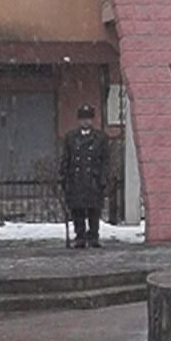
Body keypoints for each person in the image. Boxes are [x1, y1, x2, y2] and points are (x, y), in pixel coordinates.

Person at [59, 105, 108, 249]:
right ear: (79, 120)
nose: (86, 121)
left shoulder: (100, 138)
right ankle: (80, 236)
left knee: (94, 210)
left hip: (93, 179)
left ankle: (93, 236)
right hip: (77, 179)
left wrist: (103, 177)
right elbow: (66, 159)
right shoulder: (71, 137)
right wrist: (63, 176)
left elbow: (105, 160)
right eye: (83, 118)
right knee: (77, 210)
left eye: (88, 118)